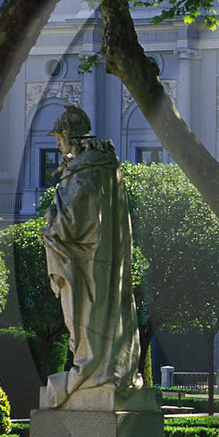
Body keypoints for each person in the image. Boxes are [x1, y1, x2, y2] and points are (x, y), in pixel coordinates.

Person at [40, 105, 142, 406]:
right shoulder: (107, 167)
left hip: (86, 263)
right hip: (101, 259)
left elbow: (77, 219)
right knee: (97, 318)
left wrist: (52, 222)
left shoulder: (87, 171)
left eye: (59, 140)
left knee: (84, 319)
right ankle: (104, 368)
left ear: (70, 139)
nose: (58, 146)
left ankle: (91, 371)